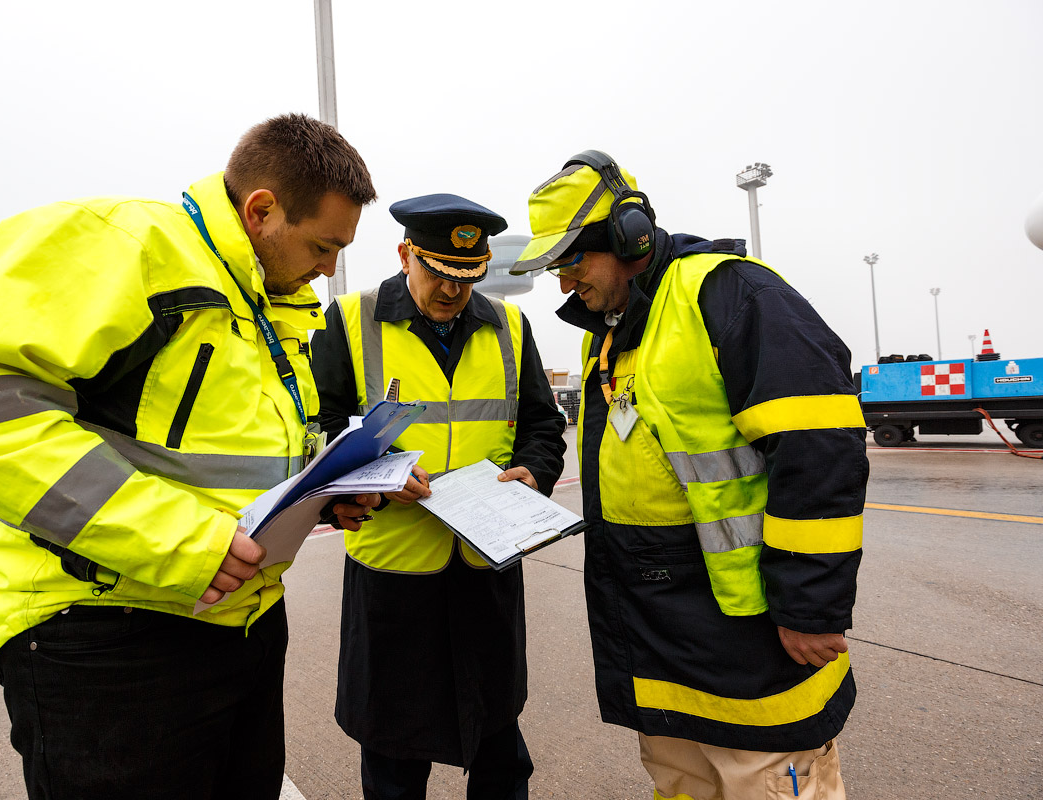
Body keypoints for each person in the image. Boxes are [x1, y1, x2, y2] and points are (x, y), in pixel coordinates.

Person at [0, 113, 382, 800]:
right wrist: (179, 540)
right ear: (261, 210)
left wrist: (326, 492)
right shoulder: (124, 243)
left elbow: (222, 459)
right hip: (108, 643)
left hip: (240, 625)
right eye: (325, 247)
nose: (329, 271)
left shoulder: (271, 307)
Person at [510, 151, 867, 800]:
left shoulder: (728, 294)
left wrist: (811, 606)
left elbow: (821, 447)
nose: (564, 285)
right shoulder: (612, 331)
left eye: (571, 263)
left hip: (753, 643)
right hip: (664, 643)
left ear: (628, 235)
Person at [311, 194, 568, 799]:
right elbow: (314, 433)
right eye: (440, 273)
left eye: (468, 277)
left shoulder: (508, 325)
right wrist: (377, 478)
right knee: (395, 756)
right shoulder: (350, 320)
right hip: (395, 572)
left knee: (499, 747)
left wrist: (533, 472)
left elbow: (541, 425)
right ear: (406, 255)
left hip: (485, 567)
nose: (455, 291)